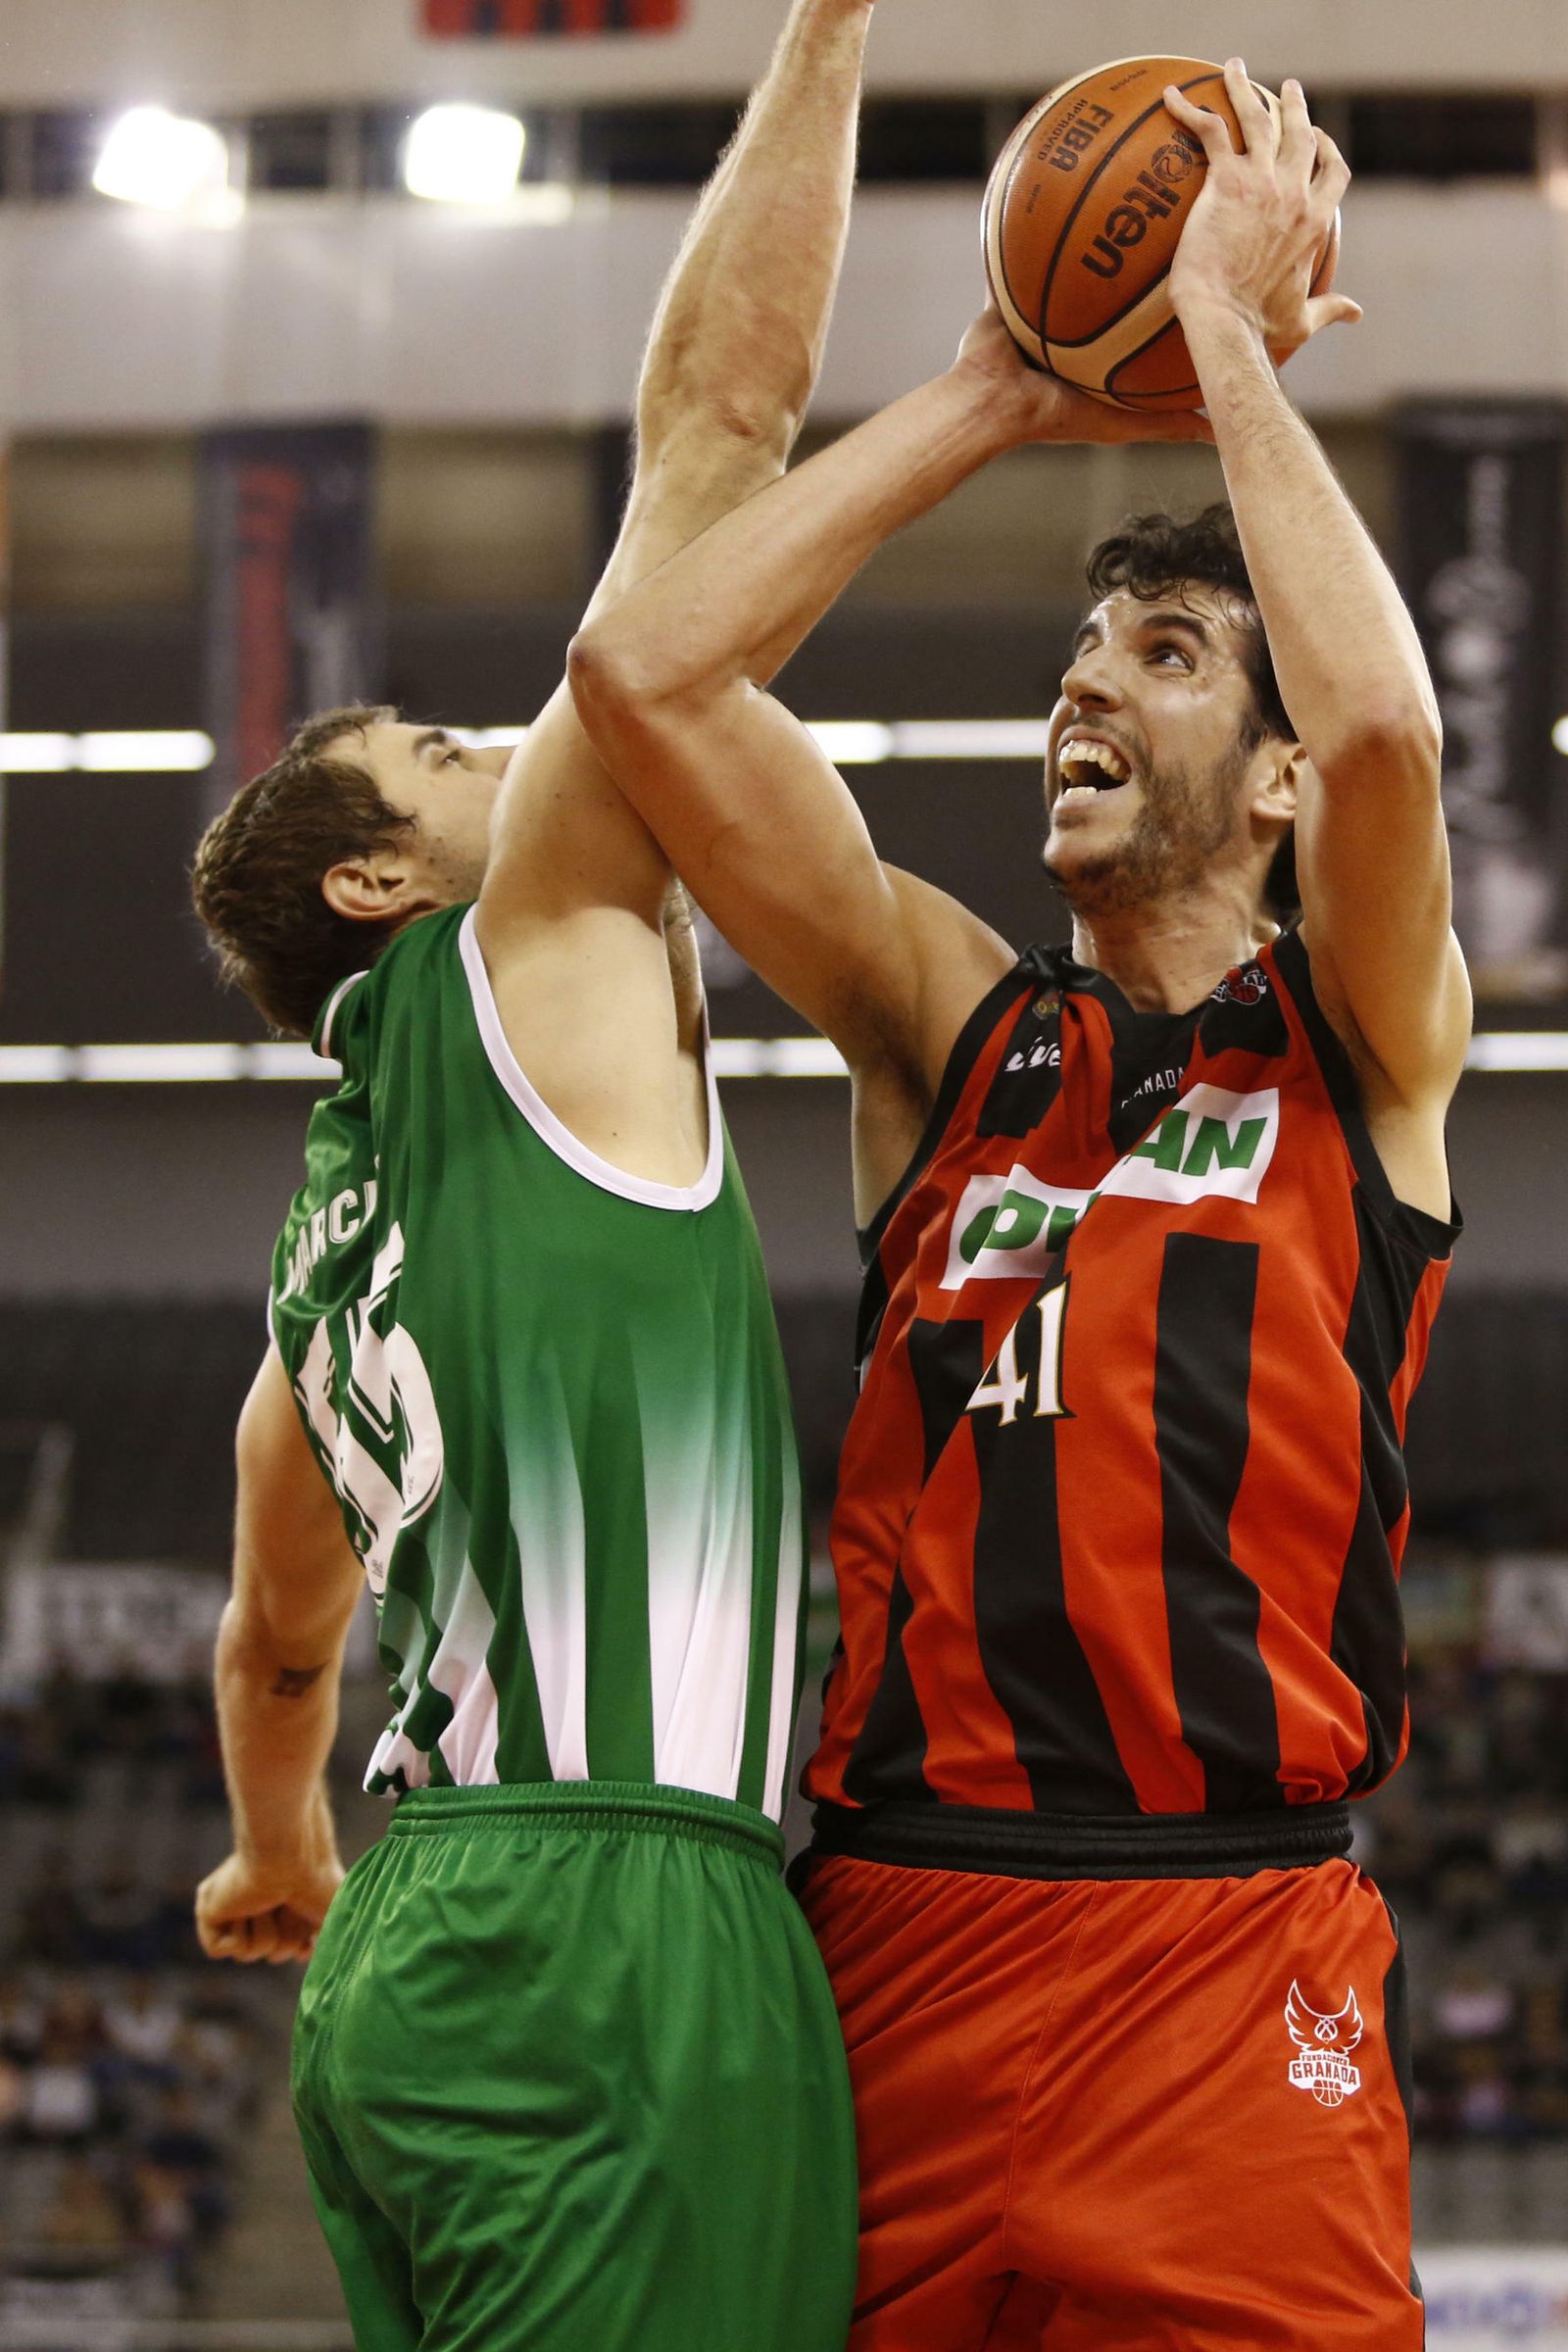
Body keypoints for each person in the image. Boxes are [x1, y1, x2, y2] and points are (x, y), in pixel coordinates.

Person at [569, 63, 1468, 2350]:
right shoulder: (948, 1034)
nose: (1082, 683)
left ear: (1260, 783)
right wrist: (987, 384)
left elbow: (1387, 744)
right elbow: (645, 677)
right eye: (1078, 656)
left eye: (1162, 659)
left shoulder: (1352, 1041)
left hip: (1222, 1952)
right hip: (895, 1943)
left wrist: (1224, 342)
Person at [187, 6, 879, 2346]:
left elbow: (281, 1639)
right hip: (611, 1918)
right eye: (453, 752)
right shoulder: (530, 951)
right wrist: (837, 23)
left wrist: (286, 1847)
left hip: (406, 1949)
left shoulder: (317, 1270)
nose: (519, 752)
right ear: (388, 890)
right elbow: (712, 432)